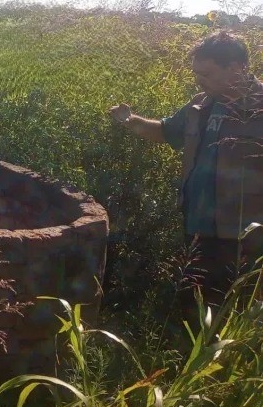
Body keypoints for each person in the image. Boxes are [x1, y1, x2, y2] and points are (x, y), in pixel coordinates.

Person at [109, 31, 263, 306]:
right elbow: (166, 132)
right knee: (193, 305)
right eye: (196, 74)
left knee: (239, 308)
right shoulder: (199, 106)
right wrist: (130, 120)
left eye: (206, 74)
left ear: (237, 67)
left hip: (246, 237)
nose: (199, 81)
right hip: (198, 228)